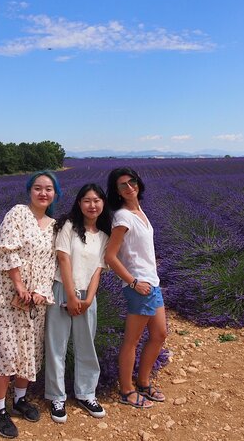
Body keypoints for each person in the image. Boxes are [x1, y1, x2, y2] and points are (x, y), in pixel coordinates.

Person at [0, 170, 61, 438]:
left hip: (33, 300)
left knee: (27, 350)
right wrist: (20, 285)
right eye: (38, 188)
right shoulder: (17, 213)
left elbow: (50, 264)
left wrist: (41, 292)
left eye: (48, 189)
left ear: (55, 194)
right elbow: (8, 248)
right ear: (30, 191)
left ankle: (18, 400)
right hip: (5, 294)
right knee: (6, 351)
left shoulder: (54, 225)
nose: (43, 193)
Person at [45, 184, 111, 423]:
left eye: (96, 200)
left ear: (103, 204)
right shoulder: (68, 227)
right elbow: (63, 259)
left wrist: (89, 298)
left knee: (86, 345)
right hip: (63, 289)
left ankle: (86, 393)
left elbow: (98, 271)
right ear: (79, 203)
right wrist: (72, 296)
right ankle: (56, 396)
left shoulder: (105, 235)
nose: (92, 205)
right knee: (56, 345)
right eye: (86, 200)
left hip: (87, 294)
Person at [104, 167, 167, 409]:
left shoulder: (139, 210)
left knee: (160, 334)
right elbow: (110, 256)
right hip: (140, 286)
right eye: (123, 185)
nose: (130, 187)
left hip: (153, 283)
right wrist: (132, 282)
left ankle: (142, 381)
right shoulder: (122, 217)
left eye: (132, 182)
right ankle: (126, 390)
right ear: (117, 191)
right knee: (132, 341)